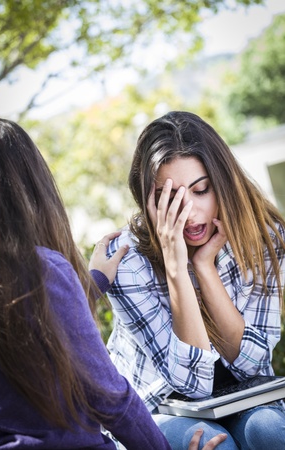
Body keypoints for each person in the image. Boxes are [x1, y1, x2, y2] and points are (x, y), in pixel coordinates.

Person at [0, 117, 228, 450]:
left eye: (200, 190)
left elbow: (31, 327)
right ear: (30, 186)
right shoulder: (42, 270)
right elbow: (110, 397)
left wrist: (93, 282)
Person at [105, 111, 285, 450]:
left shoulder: (263, 239)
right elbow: (193, 384)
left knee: (270, 431)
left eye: (201, 190)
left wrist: (205, 268)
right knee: (212, 445)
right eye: (169, 198)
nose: (188, 213)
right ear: (147, 201)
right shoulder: (127, 261)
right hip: (162, 404)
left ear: (224, 184)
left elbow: (252, 365)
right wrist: (176, 268)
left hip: (243, 397)